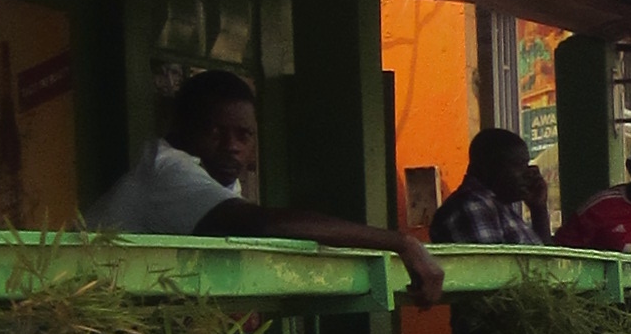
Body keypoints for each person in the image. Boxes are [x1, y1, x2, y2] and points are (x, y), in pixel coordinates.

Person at [92, 67, 446, 306]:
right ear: (179, 128)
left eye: (243, 135)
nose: (232, 146)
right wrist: (400, 242)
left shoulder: (216, 181)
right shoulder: (167, 171)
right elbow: (265, 223)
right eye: (214, 131)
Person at [431, 125, 551, 245]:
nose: (529, 173)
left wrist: (538, 209)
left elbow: (546, 260)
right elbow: (495, 263)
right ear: (489, 167)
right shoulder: (473, 206)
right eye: (519, 165)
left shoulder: (498, 206)